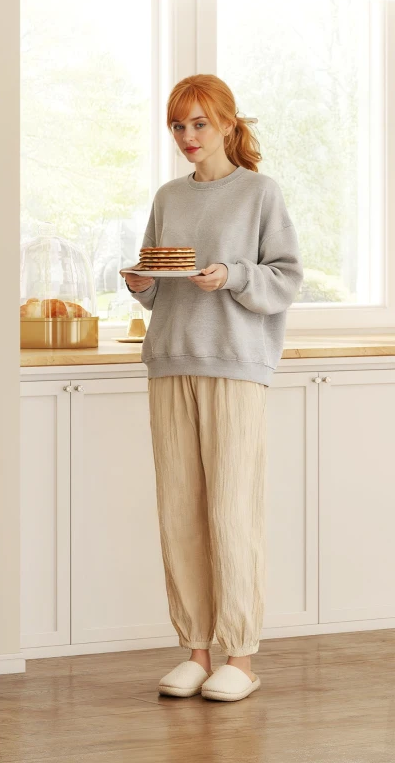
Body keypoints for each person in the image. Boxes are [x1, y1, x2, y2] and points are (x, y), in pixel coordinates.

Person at [123, 74, 303, 702]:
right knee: (179, 513)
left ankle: (242, 658)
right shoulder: (168, 196)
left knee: (232, 510)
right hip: (170, 360)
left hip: (235, 363)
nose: (187, 136)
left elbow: (286, 277)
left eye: (199, 123)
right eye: (178, 125)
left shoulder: (259, 193)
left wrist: (232, 275)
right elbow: (155, 284)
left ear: (228, 124)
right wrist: (138, 282)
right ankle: (197, 651)